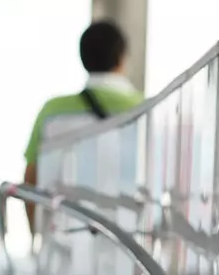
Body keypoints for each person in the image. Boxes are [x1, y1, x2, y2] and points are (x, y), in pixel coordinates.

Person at [22, 19, 143, 232]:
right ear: (122, 59)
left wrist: (36, 233)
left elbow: (31, 176)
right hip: (126, 235)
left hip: (64, 234)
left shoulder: (52, 112)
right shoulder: (145, 110)